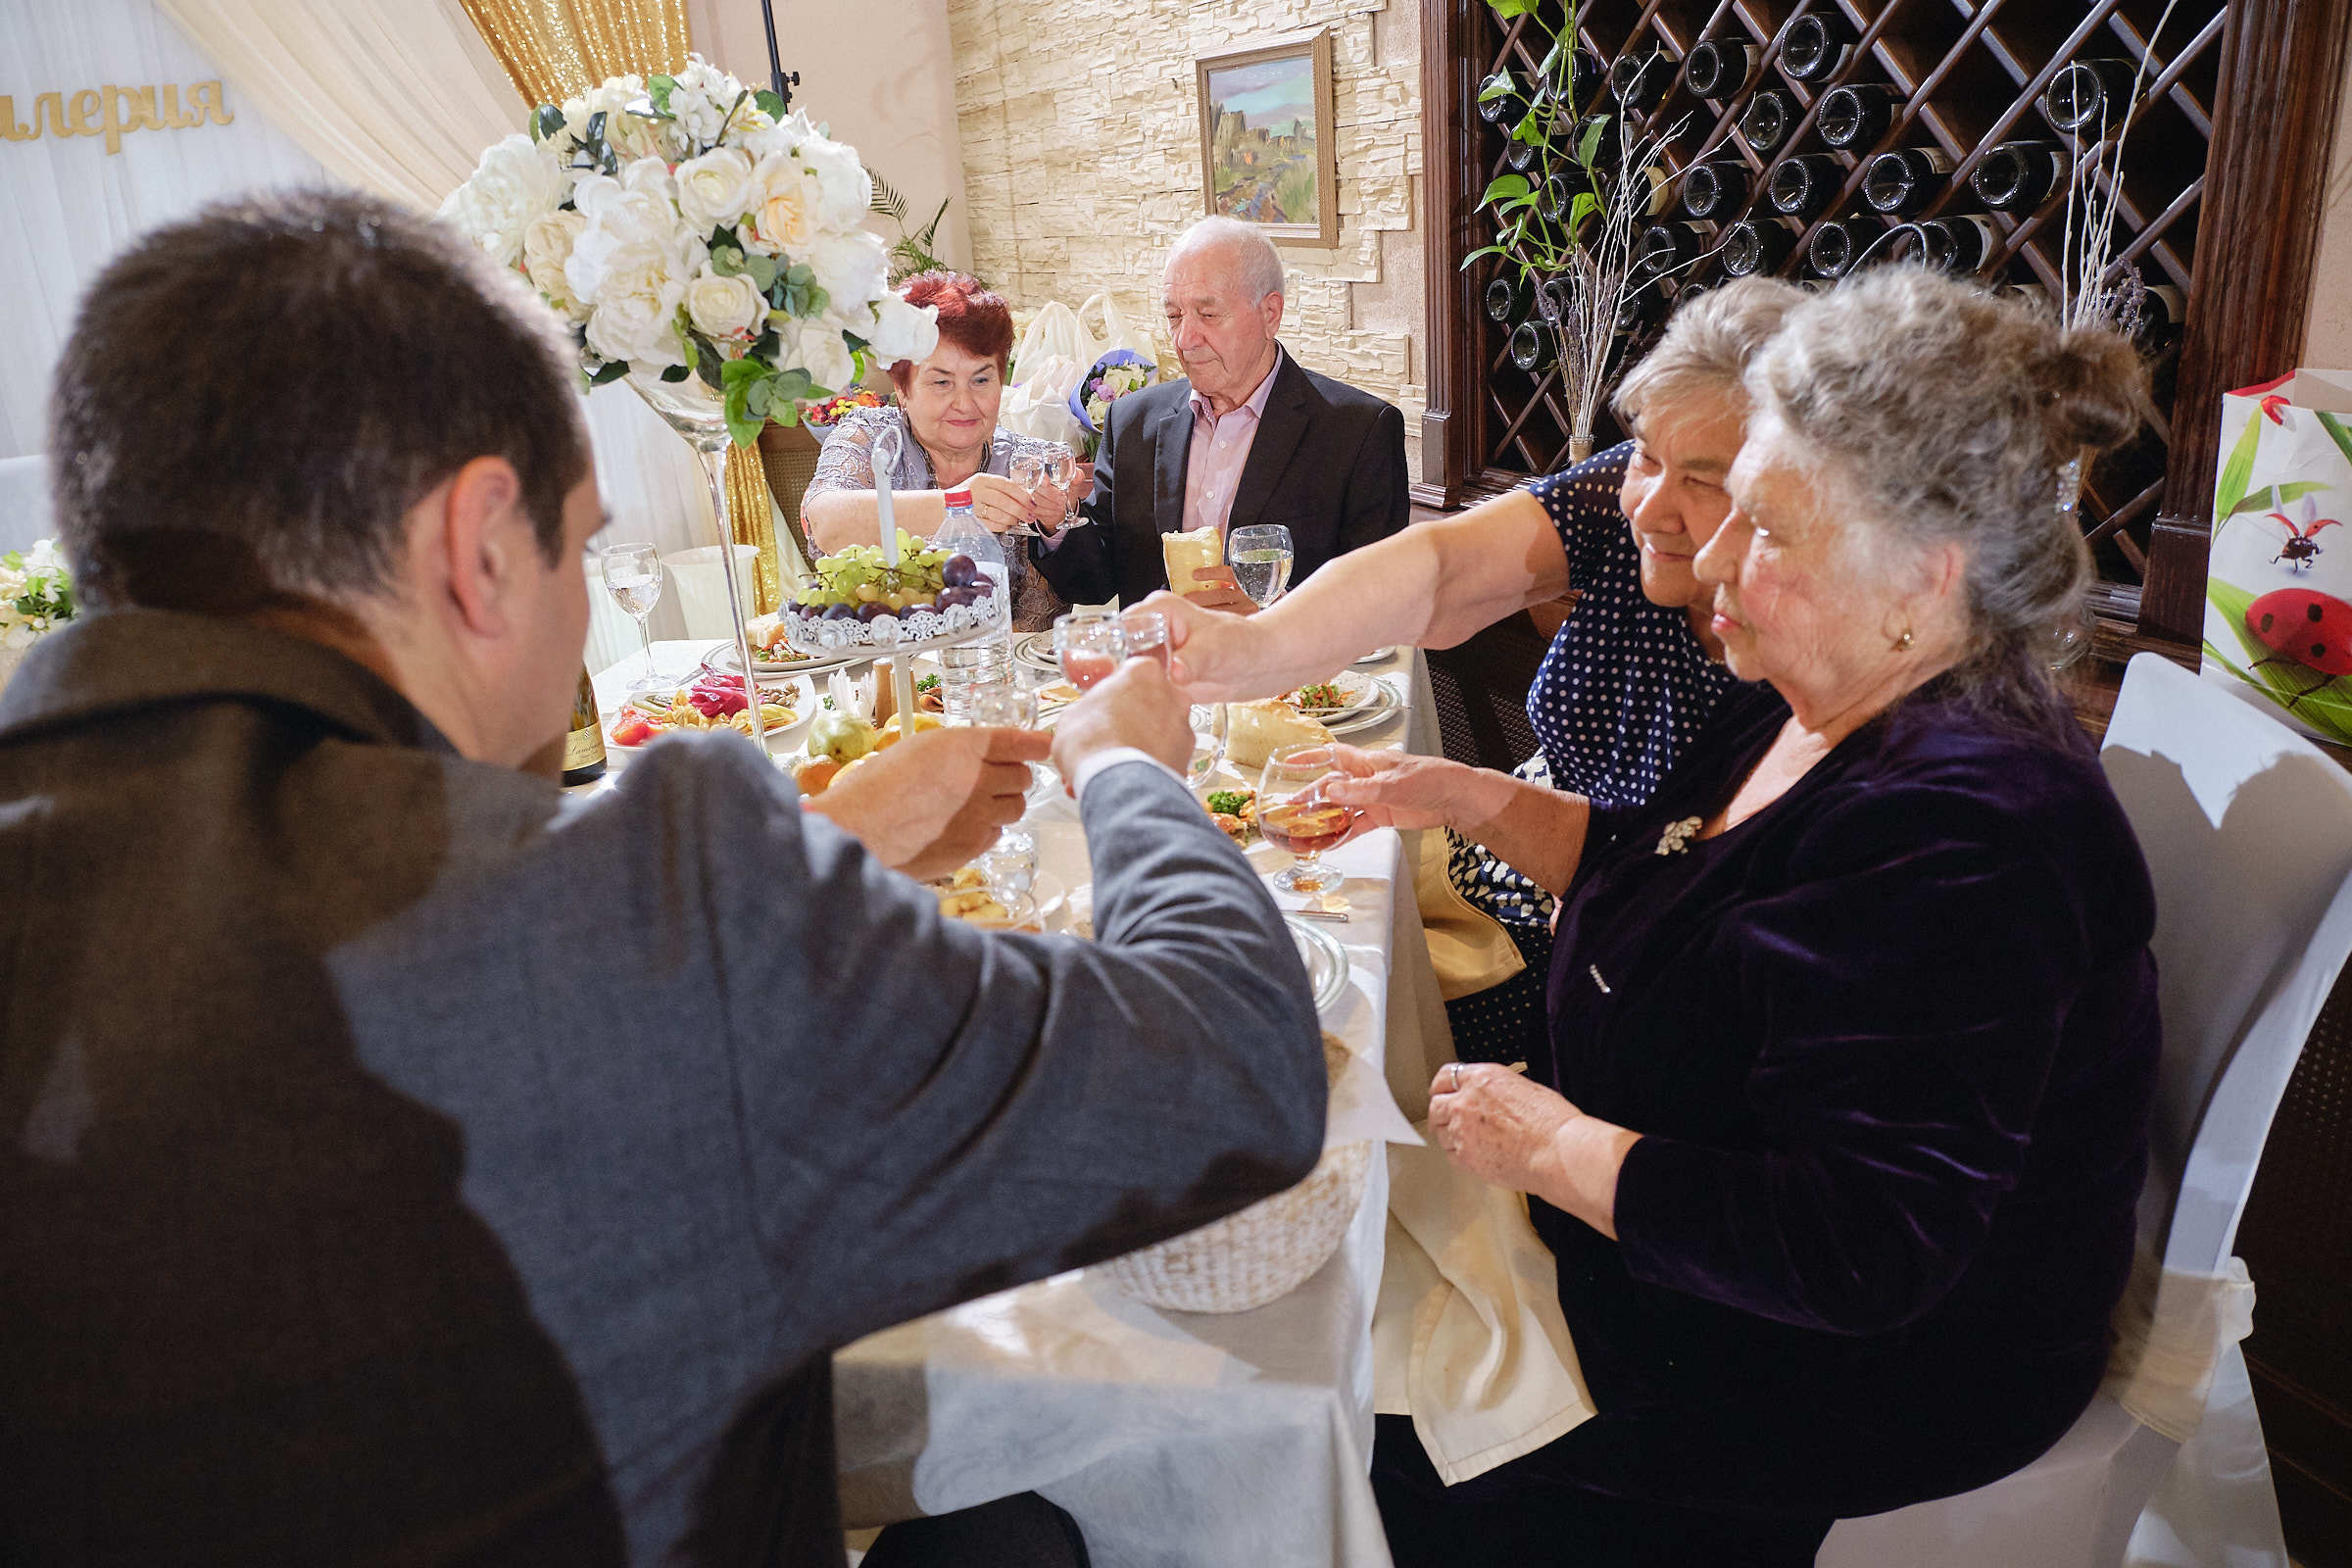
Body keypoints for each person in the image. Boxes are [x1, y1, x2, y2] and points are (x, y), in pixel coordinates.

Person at [0, 191, 1328, 1566]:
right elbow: (1232, 1067)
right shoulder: (663, 905)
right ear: (478, 546)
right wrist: (1127, 769)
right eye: (580, 546)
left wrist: (829, 840)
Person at [1330, 270, 2162, 1563]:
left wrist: (1555, 1145)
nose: (1710, 554)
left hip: (1837, 1374)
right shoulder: (1807, 688)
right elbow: (1670, 864)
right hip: (1656, 1257)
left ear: (1922, 574)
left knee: (1344, 1432)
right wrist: (1461, 794)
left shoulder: (1972, 831)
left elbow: (1852, 1252)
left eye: (1764, 526)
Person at [1143, 279, 1802, 1064]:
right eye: (1646, 456)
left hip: (1599, 949)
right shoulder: (1639, 494)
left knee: (1309, 1018)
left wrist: (1587, 891)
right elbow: (1440, 570)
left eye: (1703, 480)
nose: (1650, 507)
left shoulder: (1824, 668)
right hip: (1527, 854)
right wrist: (1250, 650)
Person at [1029, 216, 1410, 612]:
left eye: (1208, 315)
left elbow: (1381, 602)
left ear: (1270, 314)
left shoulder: (1357, 433)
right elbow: (1092, 582)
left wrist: (1274, 612)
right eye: (1174, 316)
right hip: (1157, 651)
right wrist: (1058, 520)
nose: (1185, 339)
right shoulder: (1132, 422)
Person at [802, 270, 1076, 630]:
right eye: (941, 382)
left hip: (1002, 663)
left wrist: (1056, 524)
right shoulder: (871, 438)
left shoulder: (1031, 464)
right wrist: (959, 506)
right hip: (892, 660)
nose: (964, 403)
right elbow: (826, 522)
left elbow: (1071, 595)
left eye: (981, 379)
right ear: (902, 389)